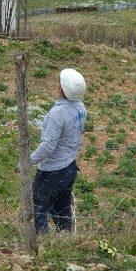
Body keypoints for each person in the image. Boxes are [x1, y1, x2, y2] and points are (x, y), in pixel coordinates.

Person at [30, 68, 87, 234]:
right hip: (69, 168)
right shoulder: (80, 108)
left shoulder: (58, 113)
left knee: (38, 208)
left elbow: (48, 146)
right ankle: (67, 239)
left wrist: (29, 160)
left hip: (52, 171)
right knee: (63, 208)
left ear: (61, 89)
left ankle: (42, 243)